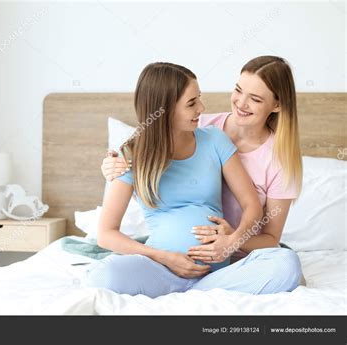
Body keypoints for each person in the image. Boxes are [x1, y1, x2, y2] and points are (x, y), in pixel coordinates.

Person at [86, 61, 301, 298]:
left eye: (255, 99)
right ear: (164, 110)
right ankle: (193, 291)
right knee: (103, 275)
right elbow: (106, 234)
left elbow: (257, 216)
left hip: (219, 270)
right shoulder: (131, 154)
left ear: (277, 104)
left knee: (287, 263)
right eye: (192, 103)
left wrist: (232, 241)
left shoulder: (214, 138)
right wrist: (164, 257)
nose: (201, 108)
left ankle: (195, 292)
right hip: (160, 267)